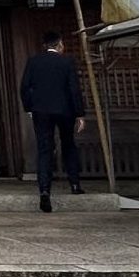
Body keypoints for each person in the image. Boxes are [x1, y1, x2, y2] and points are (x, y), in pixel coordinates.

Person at [20, 32, 88, 212]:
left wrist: (30, 108)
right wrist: (80, 114)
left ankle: (44, 191)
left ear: (45, 45)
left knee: (44, 149)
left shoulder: (33, 61)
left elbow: (25, 87)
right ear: (59, 45)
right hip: (65, 110)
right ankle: (75, 183)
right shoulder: (67, 62)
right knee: (68, 144)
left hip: (41, 111)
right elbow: (74, 88)